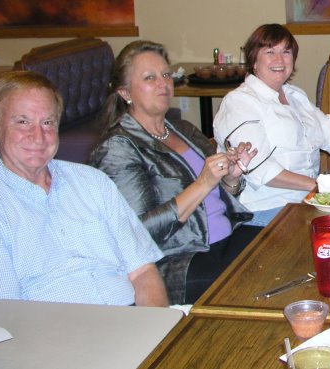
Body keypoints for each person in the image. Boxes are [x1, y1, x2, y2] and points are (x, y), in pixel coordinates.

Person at [89, 41, 260, 305]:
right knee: (258, 279)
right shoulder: (119, 147)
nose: (163, 83)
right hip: (179, 260)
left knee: (286, 248)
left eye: (166, 75)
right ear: (125, 92)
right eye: (149, 78)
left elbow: (218, 195)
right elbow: (138, 233)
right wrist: (202, 184)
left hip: (224, 238)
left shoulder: (181, 129)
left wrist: (231, 177)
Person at [0, 71, 168, 306]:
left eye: (47, 122)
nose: (38, 136)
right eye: (23, 122)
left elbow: (143, 271)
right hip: (56, 335)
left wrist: (156, 330)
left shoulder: (92, 182)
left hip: (132, 322)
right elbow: (6, 313)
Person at [213, 24, 330, 226]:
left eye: (286, 52)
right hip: (267, 210)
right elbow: (260, 169)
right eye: (270, 52)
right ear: (254, 61)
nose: (279, 60)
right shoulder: (240, 102)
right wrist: (318, 186)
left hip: (305, 200)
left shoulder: (294, 95)